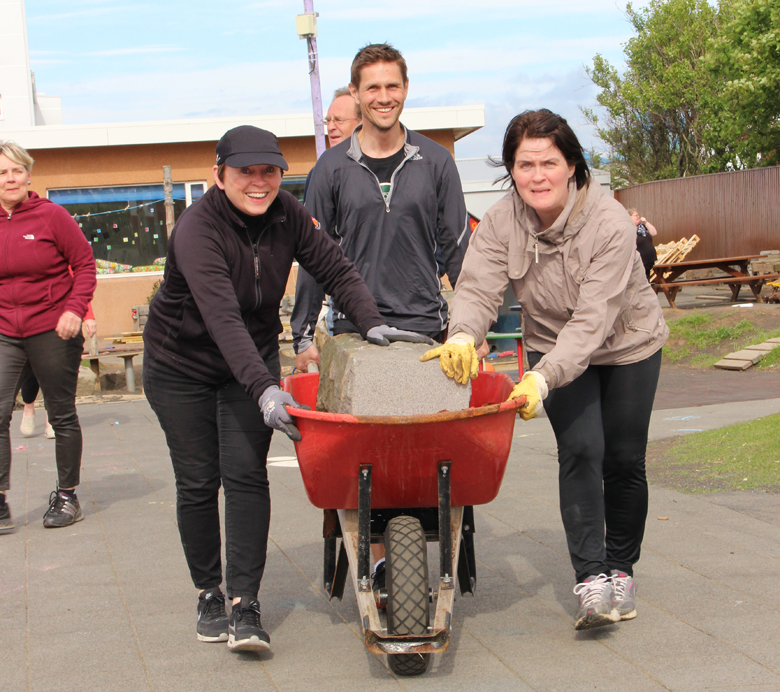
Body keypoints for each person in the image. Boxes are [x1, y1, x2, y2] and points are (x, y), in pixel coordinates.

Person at [142, 125, 429, 653]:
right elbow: (222, 317)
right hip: (179, 367)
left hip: (243, 363)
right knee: (200, 481)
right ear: (218, 176)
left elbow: (336, 268)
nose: (258, 182)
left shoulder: (288, 215)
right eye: (245, 172)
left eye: (269, 171)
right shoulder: (196, 229)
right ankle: (209, 591)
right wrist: (267, 390)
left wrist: (371, 322)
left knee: (247, 476)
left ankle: (245, 603)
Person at [422, 109, 668, 630]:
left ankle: (622, 568)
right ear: (510, 169)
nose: (537, 175)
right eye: (524, 164)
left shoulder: (608, 223)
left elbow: (594, 319)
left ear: (573, 164)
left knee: (623, 459)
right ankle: (592, 580)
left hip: (627, 344)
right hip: (551, 345)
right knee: (580, 450)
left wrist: (540, 377)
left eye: (549, 162)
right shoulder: (501, 221)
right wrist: (463, 332)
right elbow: (477, 285)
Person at [291, 42, 470, 597]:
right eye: (373, 88)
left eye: (392, 86)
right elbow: (312, 256)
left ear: (406, 89)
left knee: (422, 452)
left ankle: (409, 553)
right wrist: (304, 337)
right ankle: (383, 559)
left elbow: (459, 252)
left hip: (425, 329)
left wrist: (470, 327)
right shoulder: (331, 168)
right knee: (367, 458)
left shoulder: (436, 162)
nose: (384, 97)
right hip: (353, 331)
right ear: (357, 94)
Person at [0, 141, 96, 534]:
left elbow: (85, 264)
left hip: (53, 326)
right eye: (2, 172)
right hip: (5, 329)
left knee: (61, 414)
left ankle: (67, 496)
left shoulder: (51, 216)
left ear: (28, 175)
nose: (10, 178)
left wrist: (74, 310)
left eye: (16, 170)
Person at [19, 302, 96, 439]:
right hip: (31, 319)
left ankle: (51, 419)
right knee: (32, 369)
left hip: (60, 320)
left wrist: (88, 316)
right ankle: (29, 406)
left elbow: (78, 284)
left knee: (53, 371)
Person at [628, 209, 658, 280]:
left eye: (638, 215)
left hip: (649, 259)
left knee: (646, 278)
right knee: (641, 279)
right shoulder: (630, 228)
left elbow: (654, 233)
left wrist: (646, 222)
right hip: (640, 260)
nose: (638, 217)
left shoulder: (642, 227)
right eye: (636, 215)